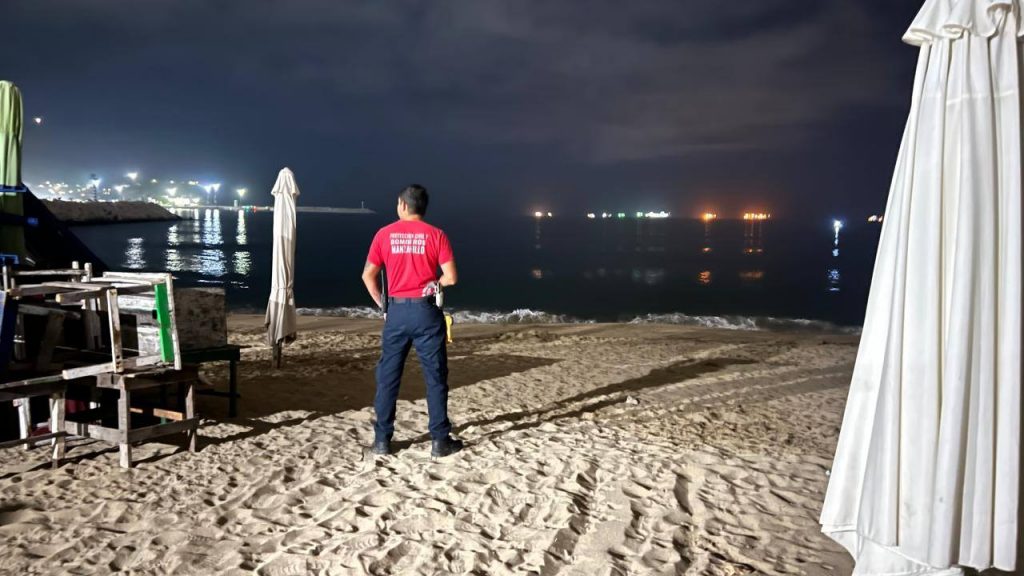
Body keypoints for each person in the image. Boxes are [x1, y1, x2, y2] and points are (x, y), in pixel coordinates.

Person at [361, 184, 463, 457]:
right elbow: (451, 278)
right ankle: (439, 441)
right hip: (426, 311)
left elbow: (368, 275)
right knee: (435, 377)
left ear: (404, 205)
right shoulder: (436, 235)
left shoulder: (384, 234)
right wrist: (435, 284)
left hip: (396, 312)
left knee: (388, 377)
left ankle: (382, 441)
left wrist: (383, 305)